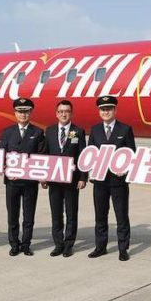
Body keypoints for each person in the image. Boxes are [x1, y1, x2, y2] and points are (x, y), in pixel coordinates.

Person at [87, 95, 136, 261]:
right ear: (99, 111)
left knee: (121, 215)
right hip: (100, 181)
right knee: (100, 215)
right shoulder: (95, 130)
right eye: (103, 109)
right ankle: (100, 247)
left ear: (115, 110)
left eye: (109, 109)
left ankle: (123, 248)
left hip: (118, 181)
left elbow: (131, 153)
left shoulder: (125, 129)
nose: (106, 112)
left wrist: (127, 170)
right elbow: (90, 153)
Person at [41, 100, 88, 258]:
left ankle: (69, 244)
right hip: (54, 180)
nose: (63, 114)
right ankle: (58, 244)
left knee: (71, 213)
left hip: (72, 181)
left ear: (71, 113)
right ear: (56, 113)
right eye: (60, 111)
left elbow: (83, 156)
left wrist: (83, 177)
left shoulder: (78, 131)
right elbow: (45, 154)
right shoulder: (50, 130)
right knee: (56, 213)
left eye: (67, 111)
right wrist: (43, 176)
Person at [0, 98, 45, 256]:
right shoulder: (7, 132)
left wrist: (42, 176)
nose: (23, 114)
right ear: (15, 113)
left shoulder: (38, 132)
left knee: (29, 215)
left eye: (26, 111)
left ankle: (26, 244)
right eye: (20, 111)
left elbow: (41, 156)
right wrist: (5, 169)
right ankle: (14, 244)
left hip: (30, 182)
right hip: (12, 182)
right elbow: (1, 155)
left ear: (30, 113)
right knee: (12, 214)